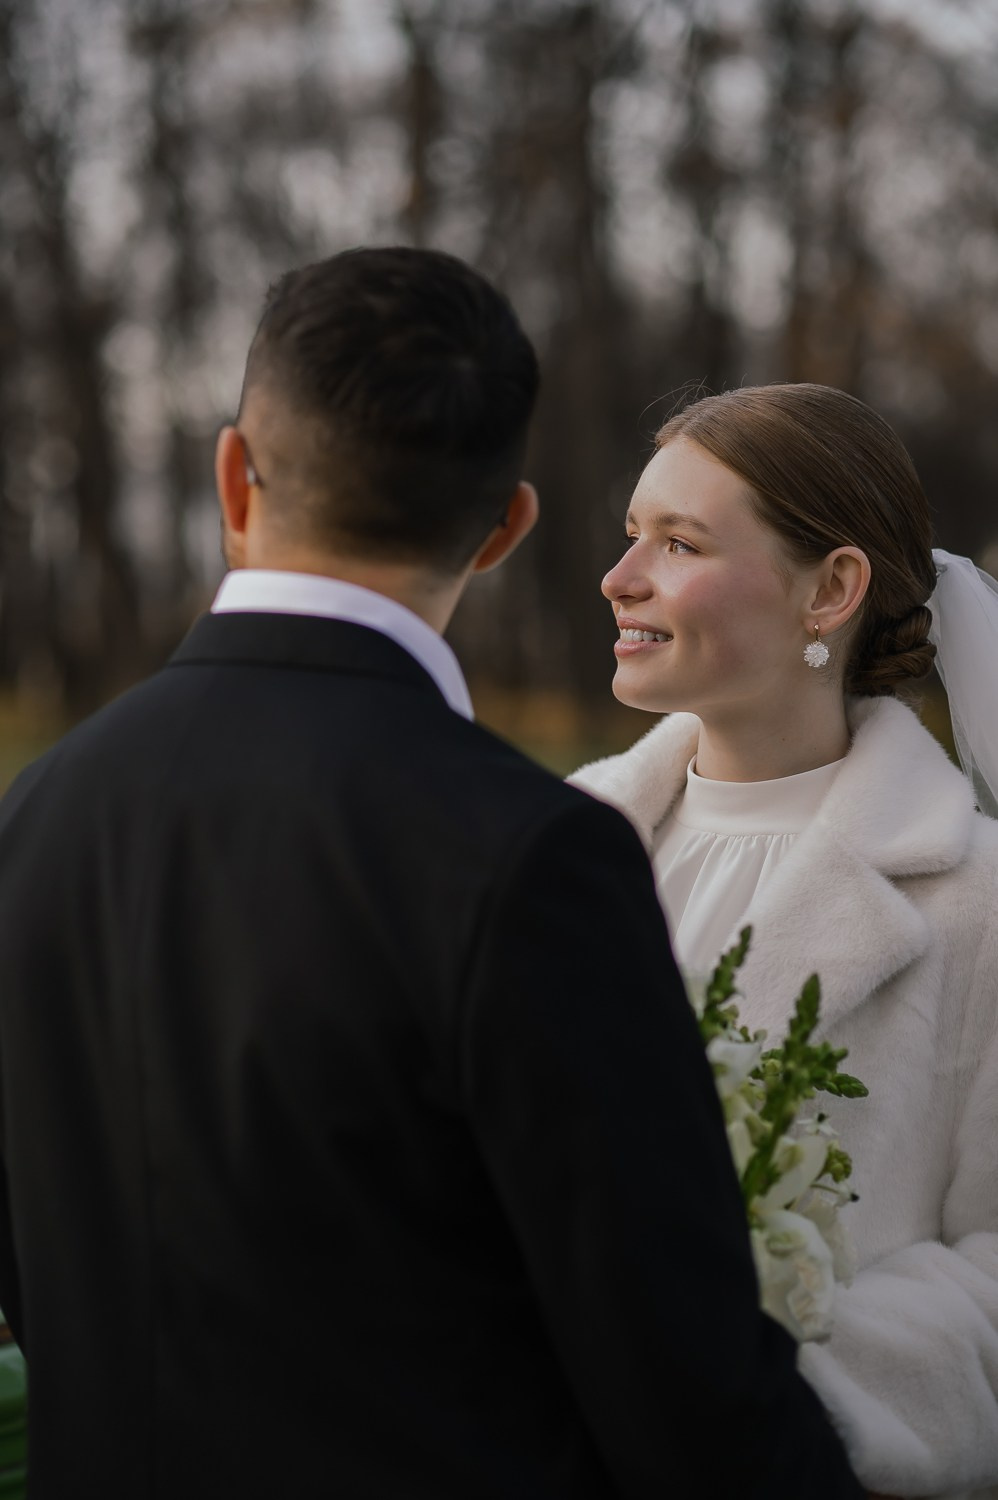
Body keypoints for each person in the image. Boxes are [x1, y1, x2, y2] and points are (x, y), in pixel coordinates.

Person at [0, 255, 860, 1498]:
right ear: (505, 524)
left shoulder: (35, 815)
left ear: (234, 476)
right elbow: (685, 1380)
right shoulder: (528, 855)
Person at [571, 381, 998, 1500]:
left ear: (832, 590)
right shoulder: (554, 848)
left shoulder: (977, 903)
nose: (620, 577)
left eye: (679, 542)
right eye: (631, 534)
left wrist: (777, 1384)